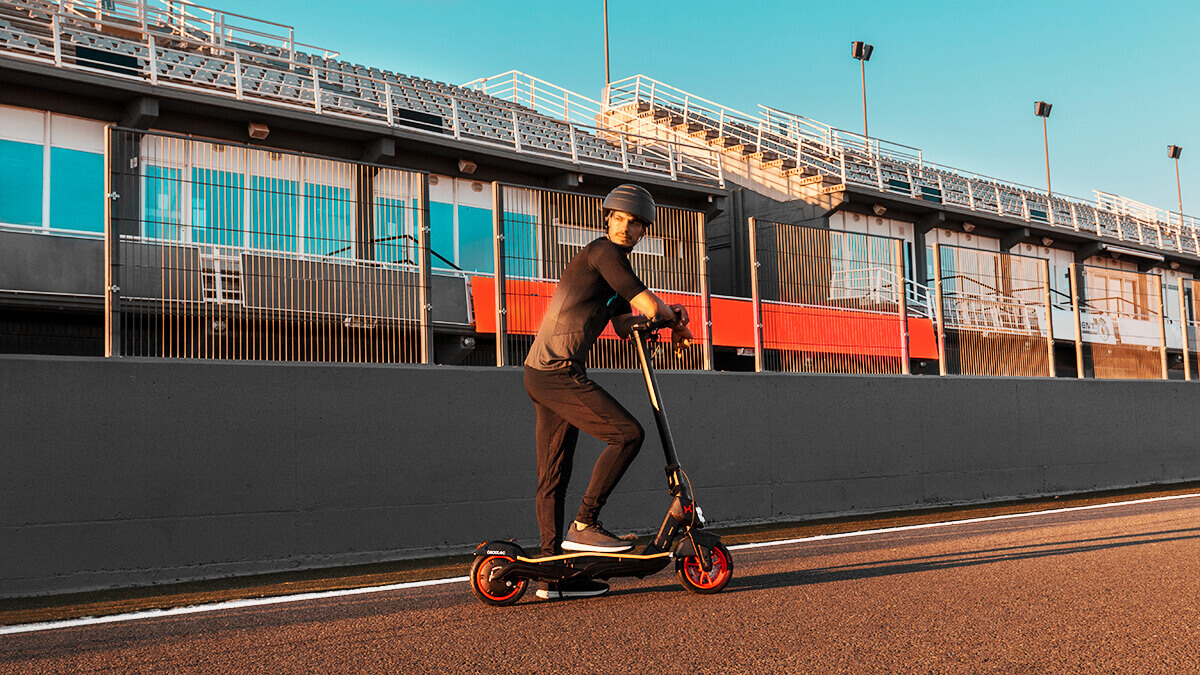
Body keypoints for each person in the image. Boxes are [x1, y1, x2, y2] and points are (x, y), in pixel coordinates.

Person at [523, 183, 693, 600]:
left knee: (554, 475)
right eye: (620, 218)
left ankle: (554, 577)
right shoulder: (604, 253)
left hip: (541, 373)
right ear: (608, 218)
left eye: (635, 223)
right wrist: (674, 319)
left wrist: (651, 324)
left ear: (643, 231)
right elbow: (650, 305)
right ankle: (585, 525)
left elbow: (622, 322)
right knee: (628, 434)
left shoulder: (612, 267)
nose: (626, 227)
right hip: (557, 370)